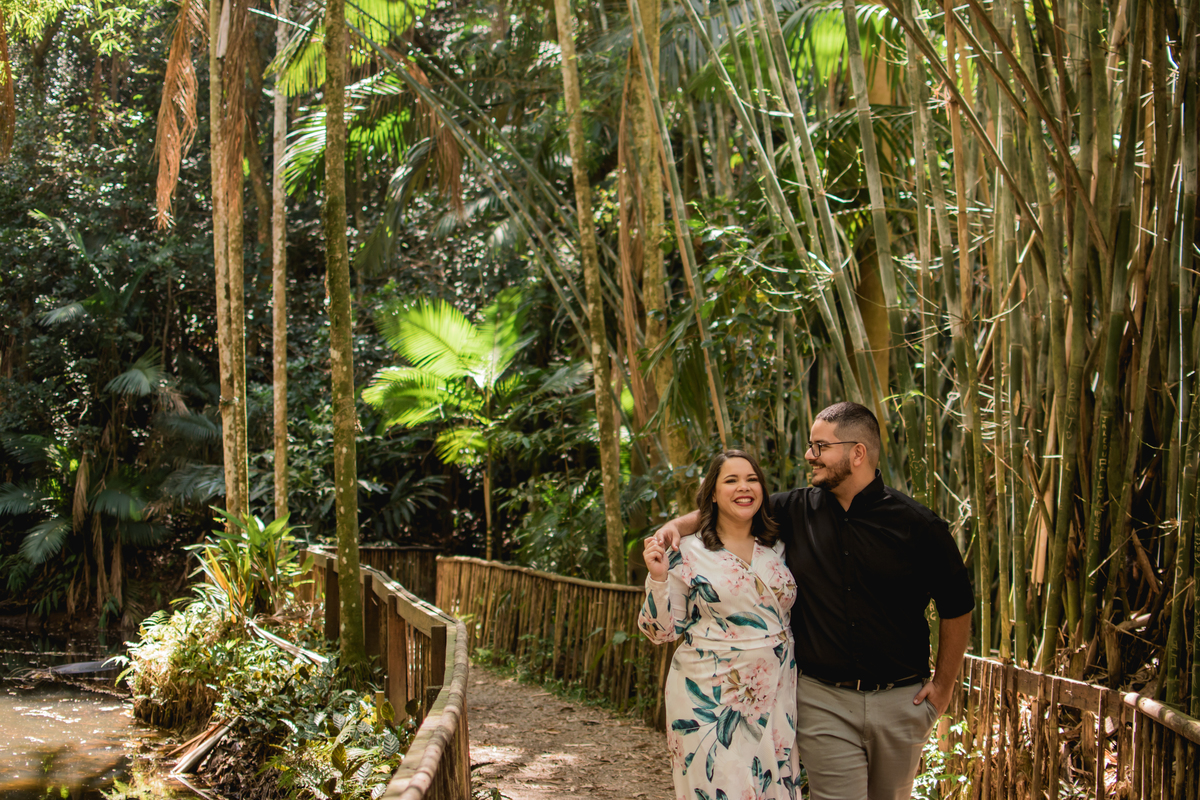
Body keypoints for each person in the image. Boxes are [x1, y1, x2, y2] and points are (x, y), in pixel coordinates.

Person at [655, 402, 973, 800]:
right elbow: (727, 510)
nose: (809, 455)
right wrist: (674, 527)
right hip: (824, 701)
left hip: (899, 700)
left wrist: (943, 685)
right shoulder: (793, 510)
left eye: (820, 446)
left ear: (856, 453)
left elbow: (957, 605)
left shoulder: (917, 525)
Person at [638, 449, 801, 800]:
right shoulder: (689, 551)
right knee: (722, 789)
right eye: (731, 480)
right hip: (709, 699)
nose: (744, 487)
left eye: (751, 479)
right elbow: (660, 632)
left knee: (772, 787)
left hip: (775, 692)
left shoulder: (779, 546)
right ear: (712, 493)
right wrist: (657, 578)